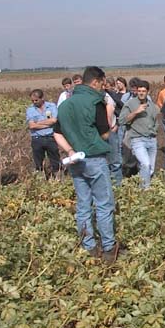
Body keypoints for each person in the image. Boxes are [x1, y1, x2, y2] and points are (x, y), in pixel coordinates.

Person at [53, 66, 121, 264]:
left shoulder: (65, 104)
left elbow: (56, 133)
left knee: (83, 205)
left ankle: (88, 246)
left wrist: (70, 151)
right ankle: (108, 248)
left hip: (76, 161)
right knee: (104, 204)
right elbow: (105, 133)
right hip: (95, 159)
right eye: (102, 84)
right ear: (95, 82)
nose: (103, 88)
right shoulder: (95, 102)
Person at [119, 80, 160, 190]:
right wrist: (136, 112)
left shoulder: (152, 106)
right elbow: (122, 120)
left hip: (151, 140)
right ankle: (145, 190)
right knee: (145, 164)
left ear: (148, 92)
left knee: (150, 168)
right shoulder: (130, 104)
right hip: (138, 139)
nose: (141, 93)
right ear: (136, 91)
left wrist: (155, 131)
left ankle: (141, 186)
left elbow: (155, 121)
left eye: (143, 91)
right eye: (139, 91)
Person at [26, 89, 60, 177]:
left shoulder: (51, 106)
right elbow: (32, 126)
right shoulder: (30, 110)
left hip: (50, 137)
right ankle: (41, 179)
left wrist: (38, 123)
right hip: (37, 139)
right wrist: (48, 123)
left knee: (55, 160)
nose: (34, 102)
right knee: (38, 162)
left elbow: (54, 120)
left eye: (36, 100)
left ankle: (58, 177)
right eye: (32, 100)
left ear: (42, 98)